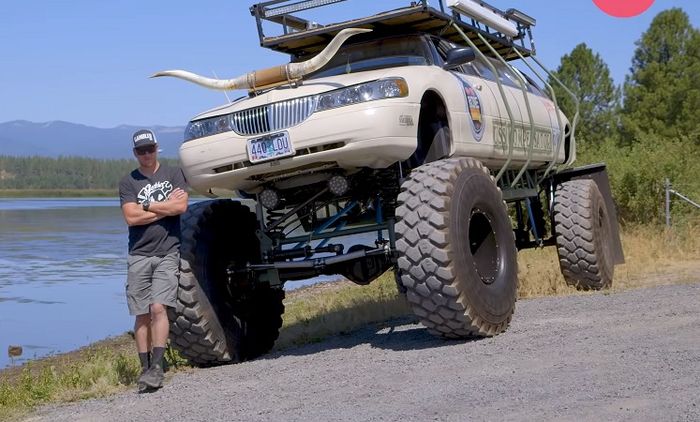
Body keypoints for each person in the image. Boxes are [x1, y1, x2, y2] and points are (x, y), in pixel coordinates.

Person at [118, 129, 188, 391]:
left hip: (168, 251)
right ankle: (144, 368)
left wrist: (145, 206)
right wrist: (162, 207)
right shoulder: (128, 182)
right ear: (135, 153)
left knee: (158, 308)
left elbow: (180, 208)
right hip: (138, 254)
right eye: (141, 151)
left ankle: (157, 367)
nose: (146, 154)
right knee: (141, 314)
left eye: (150, 149)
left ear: (157, 148)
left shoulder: (173, 174)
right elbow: (131, 218)